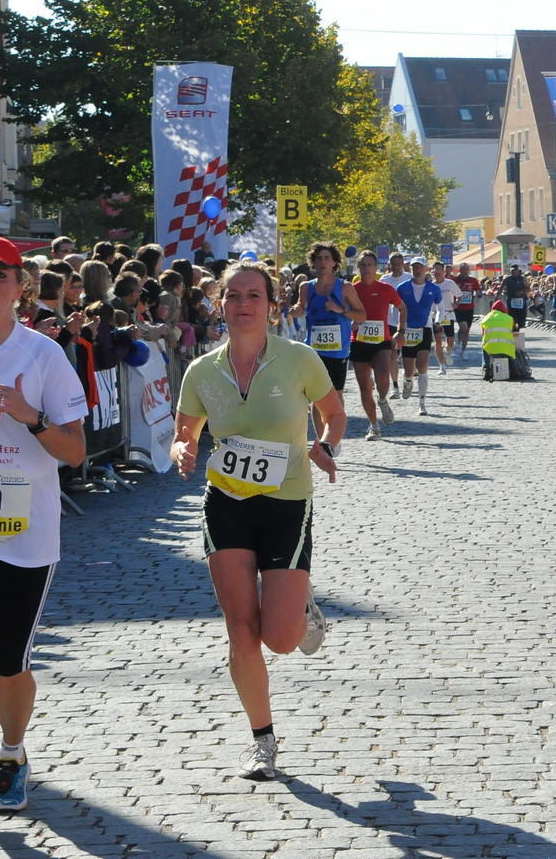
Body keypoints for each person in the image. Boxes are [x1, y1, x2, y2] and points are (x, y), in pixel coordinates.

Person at [171, 261, 346, 782]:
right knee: (240, 629)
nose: (243, 304)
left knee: (281, 638)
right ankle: (262, 740)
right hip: (225, 501)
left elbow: (334, 414)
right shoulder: (201, 371)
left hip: (286, 502)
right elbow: (186, 432)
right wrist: (183, 450)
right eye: (233, 296)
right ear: (219, 304)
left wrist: (326, 446)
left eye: (253, 295)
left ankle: (299, 606)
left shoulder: (300, 360)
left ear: (271, 304)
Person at [0, 235, 89, 813]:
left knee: (8, 655)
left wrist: (28, 416)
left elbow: (75, 453)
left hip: (24, 528)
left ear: (20, 287)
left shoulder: (42, 355)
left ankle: (11, 755)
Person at [290, 242, 363, 442]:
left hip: (338, 350)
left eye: (327, 258)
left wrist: (342, 311)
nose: (323, 262)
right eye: (319, 258)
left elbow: (362, 315)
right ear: (313, 263)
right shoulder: (306, 287)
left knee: (336, 395)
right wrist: (295, 311)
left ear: (334, 263)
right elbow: (300, 308)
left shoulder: (345, 287)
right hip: (314, 349)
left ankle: (334, 435)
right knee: (316, 395)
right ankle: (323, 440)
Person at [350, 253, 403, 440]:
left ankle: (382, 401)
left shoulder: (386, 288)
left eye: (370, 264)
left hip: (381, 341)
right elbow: (344, 312)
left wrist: (401, 331)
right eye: (362, 265)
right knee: (364, 387)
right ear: (358, 267)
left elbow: (402, 308)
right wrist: (350, 321)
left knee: (382, 377)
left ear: (376, 267)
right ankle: (374, 426)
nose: (366, 268)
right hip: (358, 341)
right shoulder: (351, 289)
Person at [395, 258, 442, 414]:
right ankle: (407, 381)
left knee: (422, 366)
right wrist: (398, 326)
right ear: (411, 269)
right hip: (407, 329)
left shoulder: (433, 288)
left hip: (425, 328)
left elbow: (439, 307)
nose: (417, 270)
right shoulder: (402, 287)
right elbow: (395, 307)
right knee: (409, 370)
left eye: (420, 267)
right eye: (414, 267)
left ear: (426, 269)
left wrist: (437, 321)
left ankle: (421, 403)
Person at [429, 263, 458, 375]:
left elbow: (459, 295)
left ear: (443, 272)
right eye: (435, 269)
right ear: (432, 271)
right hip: (435, 315)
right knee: (438, 342)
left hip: (448, 314)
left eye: (439, 269)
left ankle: (447, 351)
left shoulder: (450, 283)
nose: (437, 271)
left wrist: (456, 303)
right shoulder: (430, 286)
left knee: (450, 342)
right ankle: (442, 366)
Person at [452, 266, 479, 358]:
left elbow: (478, 290)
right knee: (463, 326)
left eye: (466, 269)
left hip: (469, 307)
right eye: (463, 269)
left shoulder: (473, 280)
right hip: (459, 307)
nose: (465, 271)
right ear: (460, 270)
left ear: (469, 270)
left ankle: (463, 351)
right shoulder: (454, 280)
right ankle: (458, 342)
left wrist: (479, 293)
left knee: (467, 330)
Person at [503, 264, 531, 330]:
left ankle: (520, 325)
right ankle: (513, 328)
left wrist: (523, 291)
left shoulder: (522, 279)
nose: (513, 272)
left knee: (521, 319)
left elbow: (529, 289)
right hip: (511, 300)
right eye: (511, 270)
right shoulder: (507, 279)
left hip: (521, 301)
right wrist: (497, 297)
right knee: (512, 317)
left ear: (517, 270)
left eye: (514, 270)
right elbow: (501, 288)